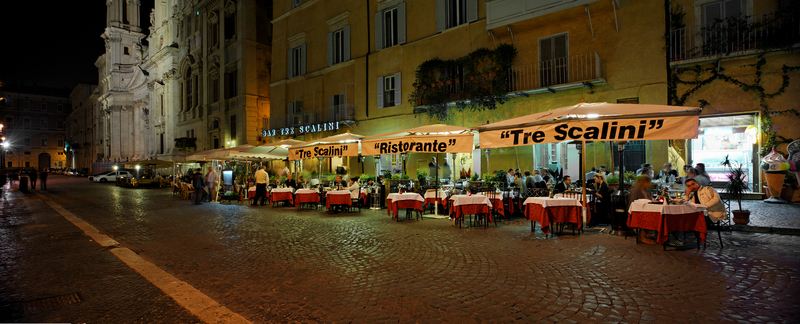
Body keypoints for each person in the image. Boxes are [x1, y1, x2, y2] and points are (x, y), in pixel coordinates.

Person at [627, 175, 656, 244]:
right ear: (643, 182)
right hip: (637, 211)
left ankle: (645, 235)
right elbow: (633, 202)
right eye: (647, 182)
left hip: (646, 209)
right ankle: (642, 236)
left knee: (655, 216)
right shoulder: (637, 191)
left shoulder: (647, 190)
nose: (649, 184)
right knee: (650, 218)